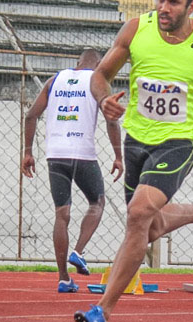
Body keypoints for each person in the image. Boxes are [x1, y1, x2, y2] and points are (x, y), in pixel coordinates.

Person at [73, 0, 193, 322]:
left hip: (177, 142)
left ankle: (103, 310)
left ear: (191, 6)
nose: (163, 8)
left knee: (137, 213)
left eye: (173, 2)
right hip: (136, 141)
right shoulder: (136, 30)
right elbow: (100, 76)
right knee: (147, 227)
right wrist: (104, 102)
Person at [22, 48, 123, 293]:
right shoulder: (97, 81)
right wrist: (119, 155)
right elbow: (111, 120)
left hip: (55, 154)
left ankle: (63, 278)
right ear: (100, 64)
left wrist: (27, 152)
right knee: (97, 202)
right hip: (82, 153)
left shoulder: (54, 80)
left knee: (62, 215)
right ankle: (78, 252)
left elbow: (31, 115)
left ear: (77, 62)